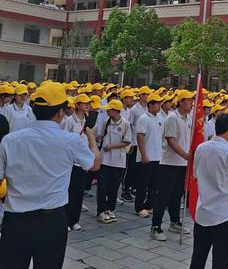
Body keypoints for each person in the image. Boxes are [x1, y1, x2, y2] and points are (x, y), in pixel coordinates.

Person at [0, 82, 100, 269]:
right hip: (52, 221)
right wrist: (92, 138)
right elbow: (94, 165)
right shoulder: (70, 141)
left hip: (16, 221)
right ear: (61, 112)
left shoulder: (10, 141)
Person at [189, 114, 228, 269]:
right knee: (220, 261)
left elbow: (195, 176)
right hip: (223, 215)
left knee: (198, 258)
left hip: (203, 212)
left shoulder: (201, 148)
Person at [151, 89, 194, 242]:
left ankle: (175, 221)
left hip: (183, 164)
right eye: (188, 100)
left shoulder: (189, 119)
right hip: (169, 163)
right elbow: (171, 140)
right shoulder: (172, 118)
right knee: (163, 195)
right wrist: (185, 155)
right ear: (181, 102)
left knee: (177, 194)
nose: (191, 103)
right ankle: (155, 226)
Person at [96, 99, 131, 224]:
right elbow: (100, 135)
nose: (108, 111)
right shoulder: (106, 122)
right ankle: (101, 210)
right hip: (105, 160)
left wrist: (111, 146)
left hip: (118, 161)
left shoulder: (125, 124)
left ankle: (110, 209)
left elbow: (127, 141)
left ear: (116, 111)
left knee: (113, 187)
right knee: (102, 187)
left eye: (110, 110)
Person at [63, 93, 92, 231]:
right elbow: (63, 140)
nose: (87, 104)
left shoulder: (88, 120)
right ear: (77, 105)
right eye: (84, 102)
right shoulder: (69, 121)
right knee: (69, 191)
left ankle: (74, 220)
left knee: (79, 192)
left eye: (88, 102)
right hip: (71, 162)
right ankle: (66, 220)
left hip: (83, 161)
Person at [135, 93, 163, 218]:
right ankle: (139, 207)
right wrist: (144, 155)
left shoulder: (160, 119)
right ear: (150, 105)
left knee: (154, 184)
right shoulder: (143, 118)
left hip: (157, 156)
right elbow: (140, 137)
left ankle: (149, 205)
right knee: (142, 183)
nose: (159, 106)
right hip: (146, 157)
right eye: (157, 104)